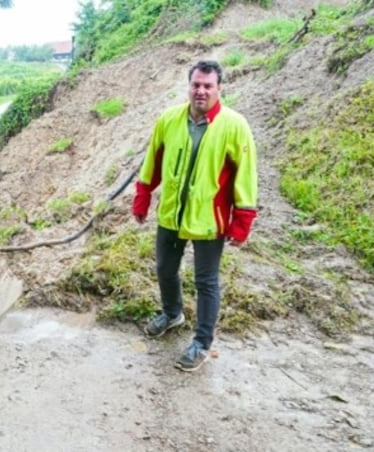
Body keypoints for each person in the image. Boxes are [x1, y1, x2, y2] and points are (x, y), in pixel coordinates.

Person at [132, 60, 258, 372]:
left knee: (206, 282)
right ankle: (172, 313)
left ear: (219, 88)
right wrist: (143, 196)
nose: (201, 91)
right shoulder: (169, 119)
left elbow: (246, 174)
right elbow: (153, 160)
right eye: (196, 85)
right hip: (172, 212)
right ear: (189, 86)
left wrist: (242, 220)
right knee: (165, 268)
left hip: (208, 218)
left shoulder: (234, 125)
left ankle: (202, 343)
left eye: (207, 86)